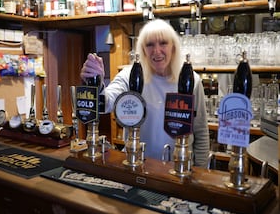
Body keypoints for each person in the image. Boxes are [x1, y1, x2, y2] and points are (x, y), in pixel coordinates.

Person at [81, 19, 210, 168]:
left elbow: (200, 132)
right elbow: (106, 102)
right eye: (150, 45)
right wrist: (95, 82)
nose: (156, 51)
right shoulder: (130, 75)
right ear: (142, 49)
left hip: (178, 168)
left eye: (163, 43)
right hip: (137, 165)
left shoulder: (191, 79)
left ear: (173, 47)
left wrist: (200, 172)